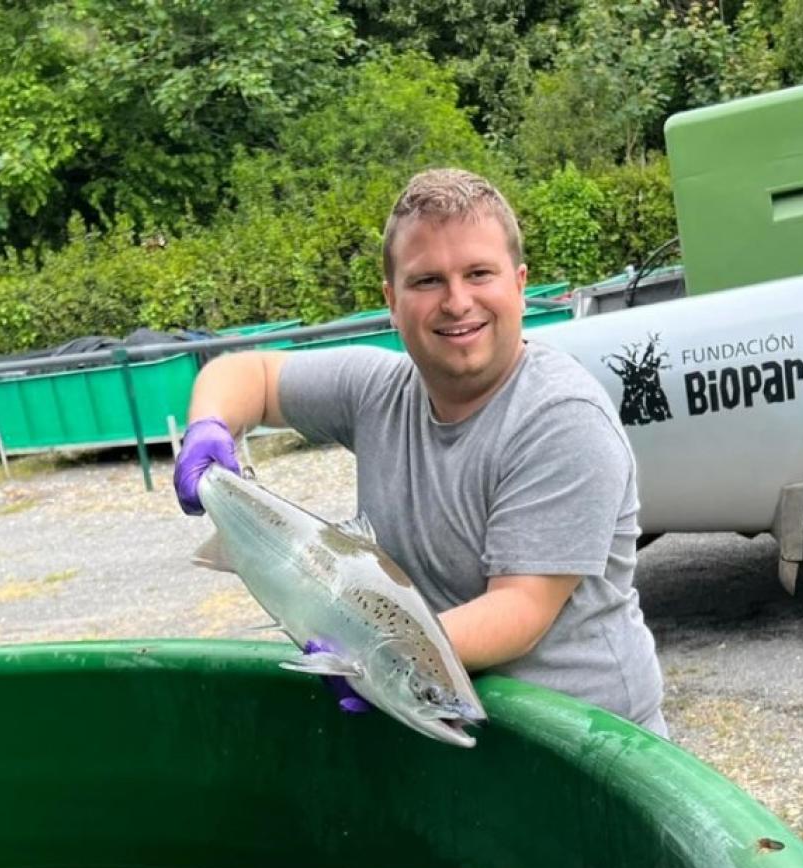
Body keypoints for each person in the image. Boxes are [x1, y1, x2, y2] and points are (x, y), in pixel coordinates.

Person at [171, 168, 668, 736]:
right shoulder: (377, 389)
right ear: (391, 299)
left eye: (479, 273)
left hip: (584, 742)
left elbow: (520, 612)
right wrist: (208, 430)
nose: (458, 302)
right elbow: (245, 373)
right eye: (427, 280)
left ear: (520, 283)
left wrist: (371, 655)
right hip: (441, 719)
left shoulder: (561, 419)